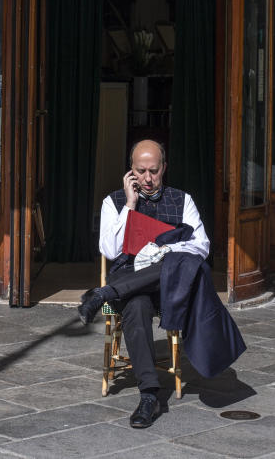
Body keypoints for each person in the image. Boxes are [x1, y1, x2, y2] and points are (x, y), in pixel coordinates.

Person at [78, 139, 210, 428]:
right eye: (141, 171)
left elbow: (201, 247)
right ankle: (149, 395)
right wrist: (130, 205)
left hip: (168, 286)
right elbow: (110, 251)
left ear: (164, 168)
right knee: (136, 306)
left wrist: (162, 250)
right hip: (130, 282)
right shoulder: (113, 202)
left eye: (154, 170)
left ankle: (103, 294)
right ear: (131, 172)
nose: (148, 179)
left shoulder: (182, 200)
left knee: (168, 263)